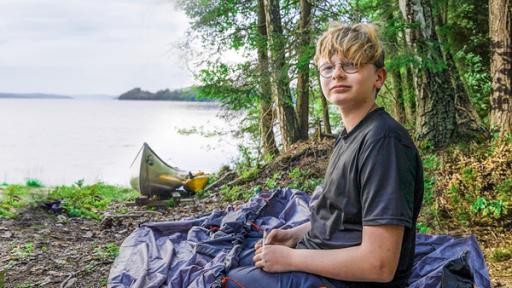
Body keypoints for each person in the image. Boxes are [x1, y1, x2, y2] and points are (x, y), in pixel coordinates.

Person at [248, 23, 424, 287]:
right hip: (320, 259)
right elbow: (345, 216)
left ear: (379, 77)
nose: (337, 74)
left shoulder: (384, 142)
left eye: (351, 64)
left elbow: (379, 265)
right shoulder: (349, 136)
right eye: (328, 68)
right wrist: (294, 236)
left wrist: (292, 259)